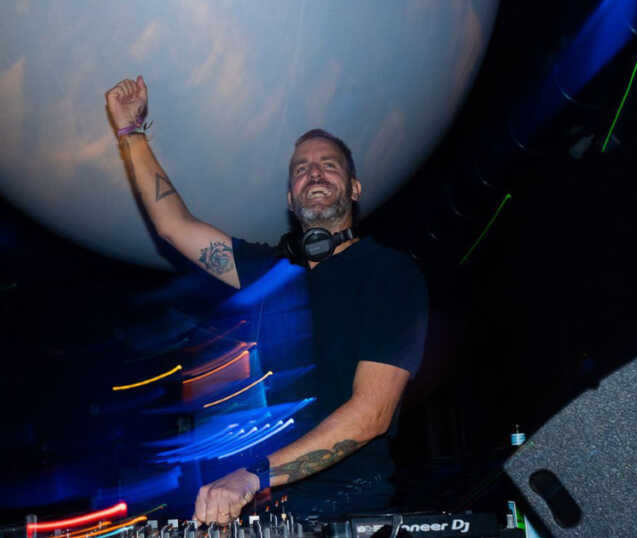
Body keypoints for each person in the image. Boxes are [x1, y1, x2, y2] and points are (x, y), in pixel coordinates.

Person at [105, 76, 428, 524]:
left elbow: (371, 414)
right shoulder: (273, 271)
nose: (314, 173)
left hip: (351, 510)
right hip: (276, 512)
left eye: (329, 165)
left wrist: (252, 476)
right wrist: (130, 131)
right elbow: (173, 226)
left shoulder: (390, 272)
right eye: (301, 169)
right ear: (291, 198)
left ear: (355, 188)